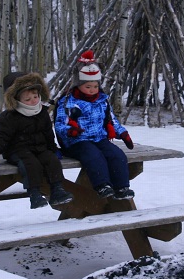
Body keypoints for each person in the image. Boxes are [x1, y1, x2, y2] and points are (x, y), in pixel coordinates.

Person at [0, 72, 74, 209]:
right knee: (31, 164)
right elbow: (0, 139)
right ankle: (34, 193)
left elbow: (48, 134)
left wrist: (53, 149)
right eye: (28, 100)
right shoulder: (9, 117)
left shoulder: (42, 112)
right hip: (17, 150)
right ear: (16, 100)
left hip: (40, 148)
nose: (33, 101)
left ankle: (57, 189)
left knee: (51, 160)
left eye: (35, 96)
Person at [54, 50, 135, 200]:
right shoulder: (69, 102)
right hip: (77, 141)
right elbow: (59, 124)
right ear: (78, 85)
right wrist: (71, 131)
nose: (92, 90)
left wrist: (122, 133)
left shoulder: (101, 101)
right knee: (94, 156)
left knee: (116, 155)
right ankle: (102, 185)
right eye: (88, 87)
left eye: (95, 86)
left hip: (99, 138)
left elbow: (110, 120)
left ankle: (122, 187)